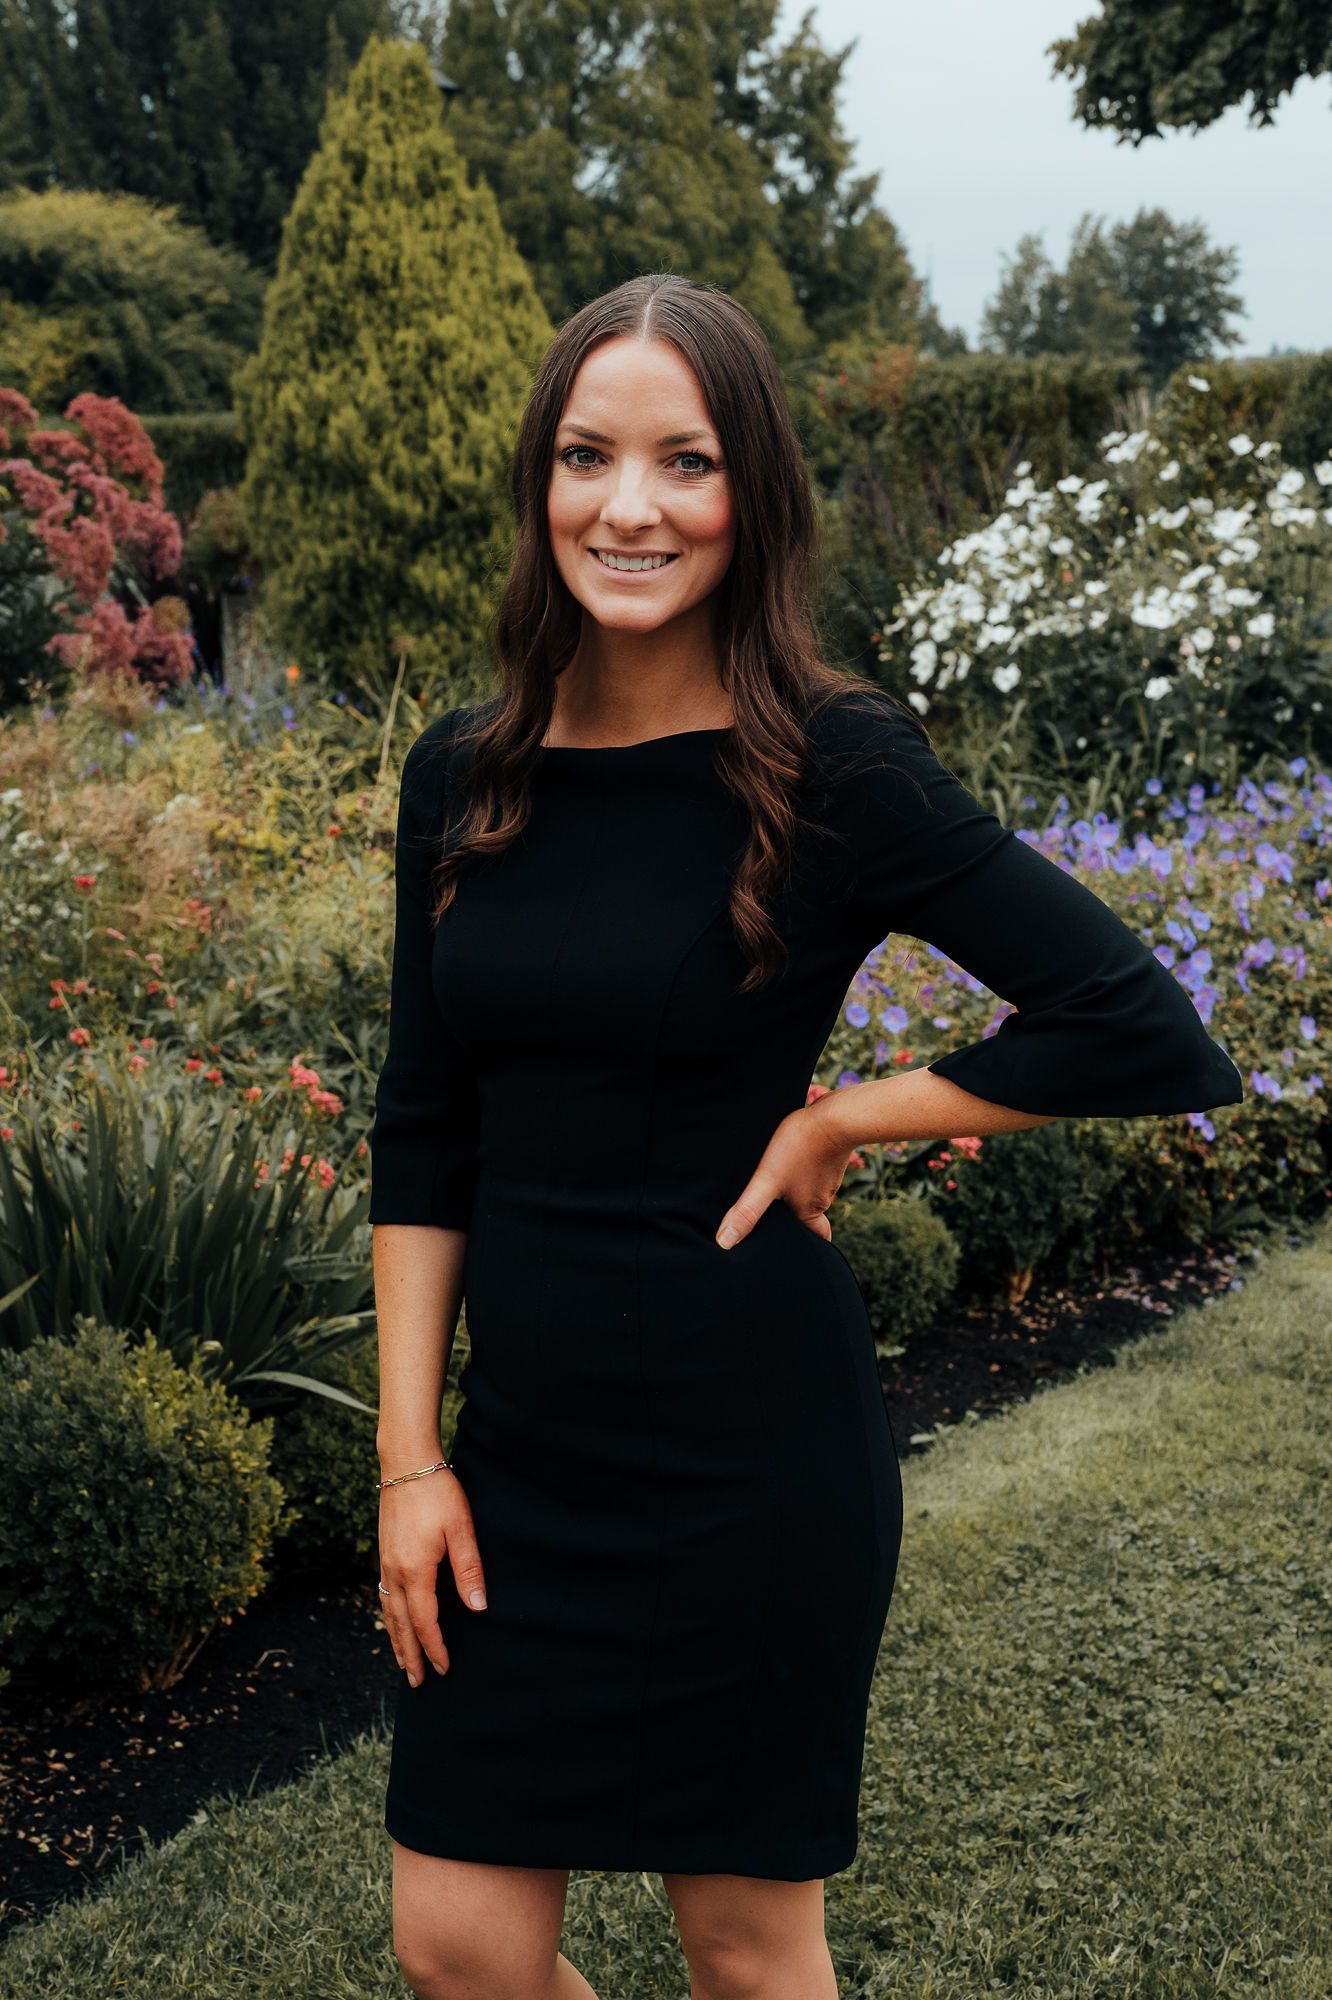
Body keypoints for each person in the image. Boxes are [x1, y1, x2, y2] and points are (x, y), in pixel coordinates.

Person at [368, 273, 1244, 2000]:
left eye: (683, 461)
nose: (629, 507)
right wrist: (409, 1460)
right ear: (540, 485)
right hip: (518, 1457)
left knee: (748, 1948)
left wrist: (852, 1112)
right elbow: (424, 1124)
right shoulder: (462, 772)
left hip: (749, 1454)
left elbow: (1140, 1025)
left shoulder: (829, 763)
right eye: (585, 456)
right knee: (458, 1942)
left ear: (750, 491)